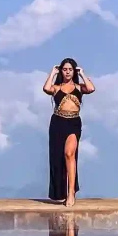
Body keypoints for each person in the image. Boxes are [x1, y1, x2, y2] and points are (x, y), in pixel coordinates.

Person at [43, 57, 95, 206]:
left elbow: (91, 88)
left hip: (73, 123)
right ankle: (62, 192)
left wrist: (83, 74)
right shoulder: (57, 88)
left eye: (70, 69)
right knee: (58, 159)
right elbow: (46, 88)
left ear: (74, 71)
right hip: (58, 123)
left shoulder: (79, 87)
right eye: (65, 69)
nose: (67, 72)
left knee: (69, 153)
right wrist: (52, 73)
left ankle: (71, 192)